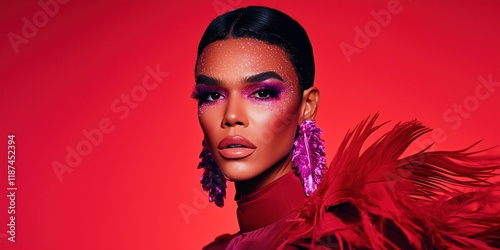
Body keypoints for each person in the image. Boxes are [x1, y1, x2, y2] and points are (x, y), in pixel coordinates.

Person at [192, 6, 500, 249]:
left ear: (307, 105)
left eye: (262, 93)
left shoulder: (343, 239)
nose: (232, 116)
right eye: (212, 95)